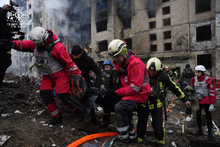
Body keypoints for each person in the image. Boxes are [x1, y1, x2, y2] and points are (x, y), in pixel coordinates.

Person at [0, 27, 83, 125]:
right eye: (37, 43)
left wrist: (79, 76)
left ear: (46, 39)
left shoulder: (58, 47)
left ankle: (78, 110)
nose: (38, 45)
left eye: (40, 43)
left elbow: (70, 63)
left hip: (60, 74)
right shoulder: (35, 44)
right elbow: (22, 45)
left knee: (62, 93)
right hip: (47, 75)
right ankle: (56, 116)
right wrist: (11, 44)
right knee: (44, 93)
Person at [137, 57, 191, 147]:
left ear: (158, 70)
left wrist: (185, 99)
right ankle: (139, 141)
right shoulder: (143, 75)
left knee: (158, 126)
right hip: (144, 104)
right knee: (141, 123)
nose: (152, 72)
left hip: (157, 105)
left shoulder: (163, 76)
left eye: (154, 71)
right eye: (150, 70)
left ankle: (160, 142)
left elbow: (174, 88)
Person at [106, 39, 151, 145]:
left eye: (117, 56)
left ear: (124, 53)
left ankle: (123, 139)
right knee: (113, 102)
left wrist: (116, 92)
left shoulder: (136, 65)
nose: (116, 60)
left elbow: (135, 88)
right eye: (114, 57)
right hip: (131, 94)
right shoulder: (122, 65)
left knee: (120, 107)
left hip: (140, 95)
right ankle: (132, 137)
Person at [70, 45, 102, 123]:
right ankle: (79, 117)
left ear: (81, 53)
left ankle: (93, 119)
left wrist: (97, 86)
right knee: (75, 101)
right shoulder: (70, 59)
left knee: (89, 102)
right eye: (74, 55)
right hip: (73, 84)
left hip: (86, 83)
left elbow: (98, 72)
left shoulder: (88, 60)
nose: (75, 57)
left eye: (77, 55)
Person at [191, 65, 217, 139]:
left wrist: (212, 104)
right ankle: (200, 131)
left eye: (198, 72)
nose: (197, 73)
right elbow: (192, 90)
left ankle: (209, 132)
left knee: (208, 117)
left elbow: (213, 92)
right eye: (196, 72)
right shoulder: (193, 79)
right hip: (197, 101)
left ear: (202, 72)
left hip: (206, 101)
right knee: (198, 116)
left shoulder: (209, 80)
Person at [95, 60, 122, 127]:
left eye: (107, 67)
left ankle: (119, 122)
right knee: (106, 108)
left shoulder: (114, 74)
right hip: (106, 93)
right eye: (105, 67)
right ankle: (106, 121)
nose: (106, 69)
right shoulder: (102, 75)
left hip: (114, 94)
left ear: (111, 67)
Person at [0, 4, 13, 93]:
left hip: (4, 46)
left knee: (6, 61)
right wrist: (4, 10)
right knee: (5, 61)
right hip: (2, 46)